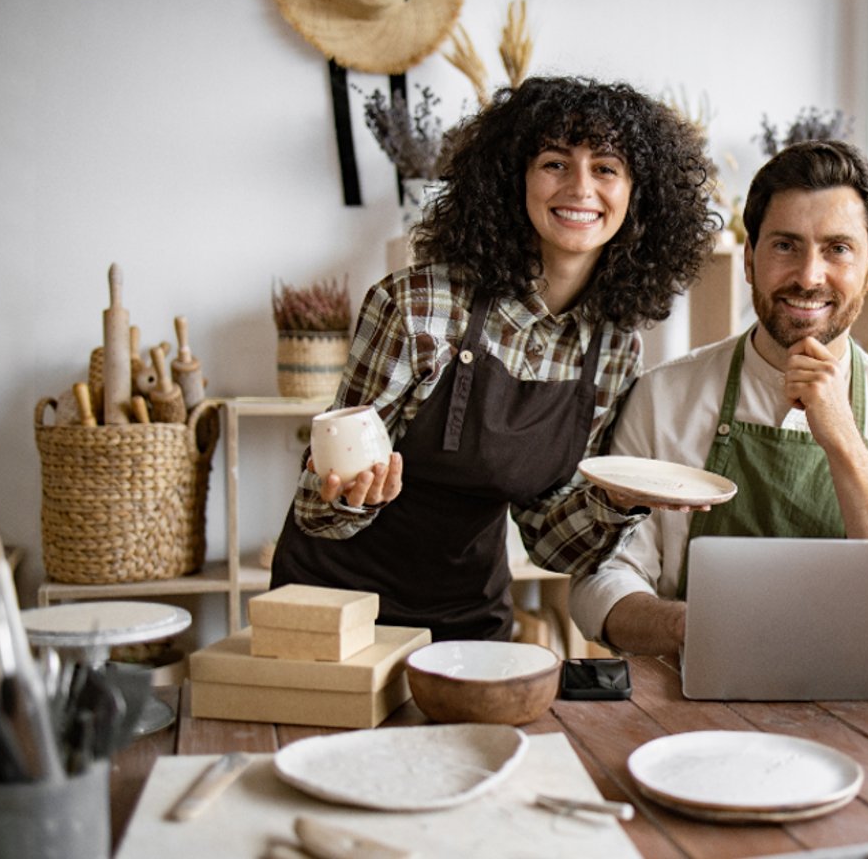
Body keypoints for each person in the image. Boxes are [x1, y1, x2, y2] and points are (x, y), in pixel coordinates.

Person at [271, 76, 718, 642]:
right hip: (334, 606)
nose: (581, 187)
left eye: (606, 168)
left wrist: (616, 501)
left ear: (638, 195)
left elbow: (550, 542)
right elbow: (316, 510)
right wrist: (351, 497)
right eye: (555, 163)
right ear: (514, 179)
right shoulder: (417, 306)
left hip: (468, 616)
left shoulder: (612, 349)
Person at [568, 140, 868, 655]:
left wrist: (843, 436)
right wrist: (688, 627)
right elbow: (602, 576)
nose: (809, 276)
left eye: (838, 249)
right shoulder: (663, 397)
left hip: (863, 693)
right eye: (785, 246)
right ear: (750, 260)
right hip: (687, 686)